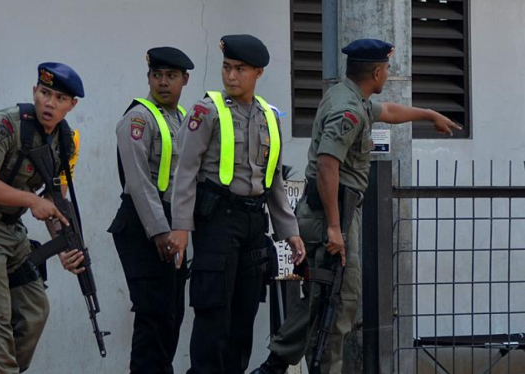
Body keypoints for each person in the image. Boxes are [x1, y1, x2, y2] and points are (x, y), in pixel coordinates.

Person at [250, 39, 462, 374]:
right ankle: (282, 364)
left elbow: (388, 112)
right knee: (338, 302)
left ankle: (275, 364)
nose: (387, 75)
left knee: (324, 300)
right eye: (387, 70)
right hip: (330, 215)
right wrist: (336, 227)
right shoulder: (347, 110)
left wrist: (430, 114)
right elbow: (327, 165)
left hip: (335, 213)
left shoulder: (348, 97)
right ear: (377, 71)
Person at [166, 34, 307, 374]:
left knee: (244, 317)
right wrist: (181, 228)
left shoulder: (269, 116)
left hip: (253, 223)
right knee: (213, 313)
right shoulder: (208, 110)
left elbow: (272, 179)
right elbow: (185, 172)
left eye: (239, 69)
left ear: (257, 72)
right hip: (217, 220)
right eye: (227, 68)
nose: (230, 76)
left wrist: (290, 231)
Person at [0, 62, 85, 374]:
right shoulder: (3, 126)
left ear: (72, 105)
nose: (50, 103)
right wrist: (30, 200)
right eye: (45, 93)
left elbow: (53, 197)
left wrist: (65, 247)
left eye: (60, 98)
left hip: (11, 232)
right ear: (34, 91)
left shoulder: (65, 142)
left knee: (34, 309)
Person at [107, 46, 194, 374]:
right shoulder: (138, 118)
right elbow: (139, 181)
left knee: (172, 315)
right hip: (144, 225)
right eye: (156, 75)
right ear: (148, 77)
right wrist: (159, 230)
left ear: (184, 79)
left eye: (171, 76)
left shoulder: (182, 119)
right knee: (154, 315)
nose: (162, 82)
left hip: (173, 224)